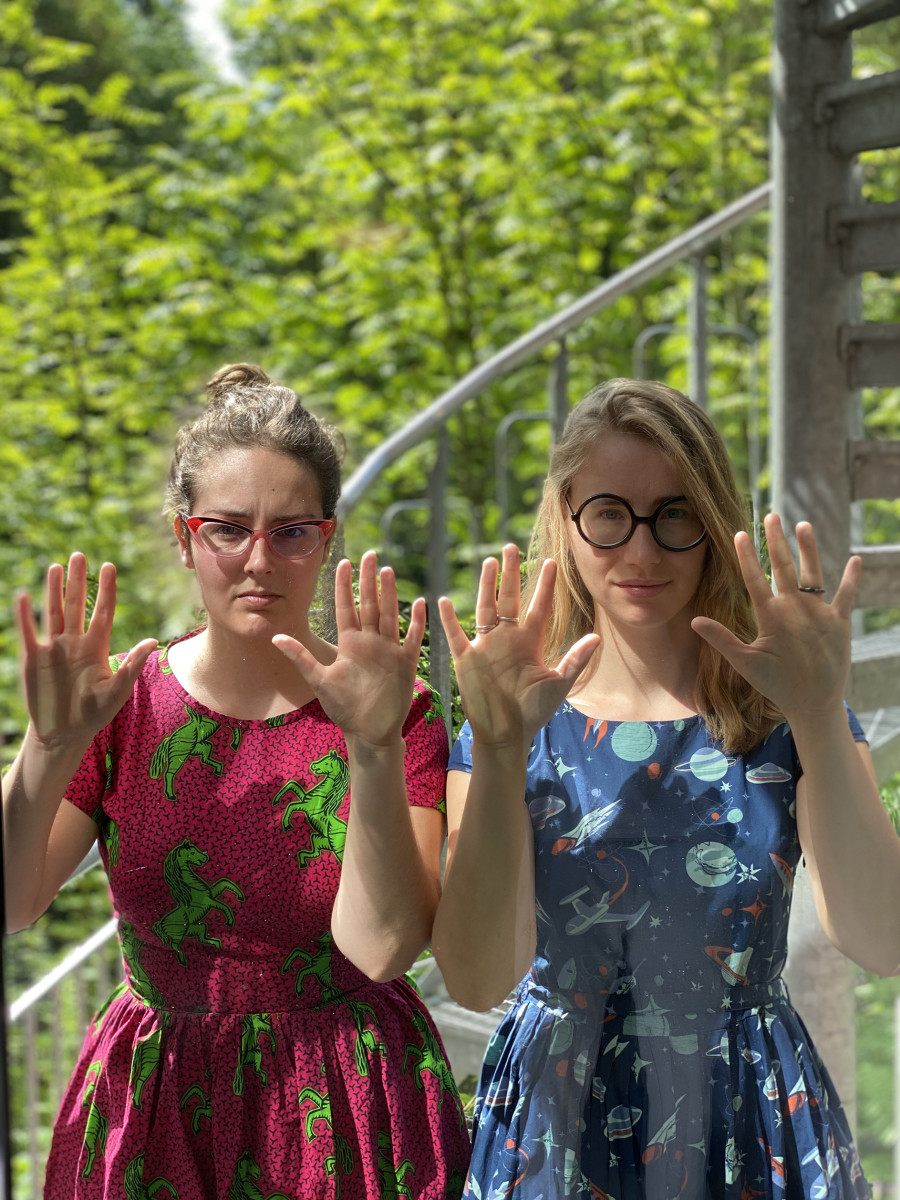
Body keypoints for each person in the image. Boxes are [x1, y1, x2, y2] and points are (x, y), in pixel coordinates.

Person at [3, 363, 471, 1199]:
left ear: (326, 539)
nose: (259, 560)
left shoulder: (396, 711)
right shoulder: (121, 705)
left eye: (290, 532)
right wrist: (47, 746)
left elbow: (386, 946)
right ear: (185, 538)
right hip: (157, 1101)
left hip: (349, 1100)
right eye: (227, 529)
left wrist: (370, 746)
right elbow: (11, 903)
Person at [433, 378, 899, 1200]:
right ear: (566, 518)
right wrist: (501, 748)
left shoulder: (789, 712)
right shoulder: (514, 721)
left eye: (674, 515)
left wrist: (822, 712)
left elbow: (883, 940)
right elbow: (475, 979)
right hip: (558, 1119)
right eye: (609, 514)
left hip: (747, 1113)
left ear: (713, 524)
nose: (642, 554)